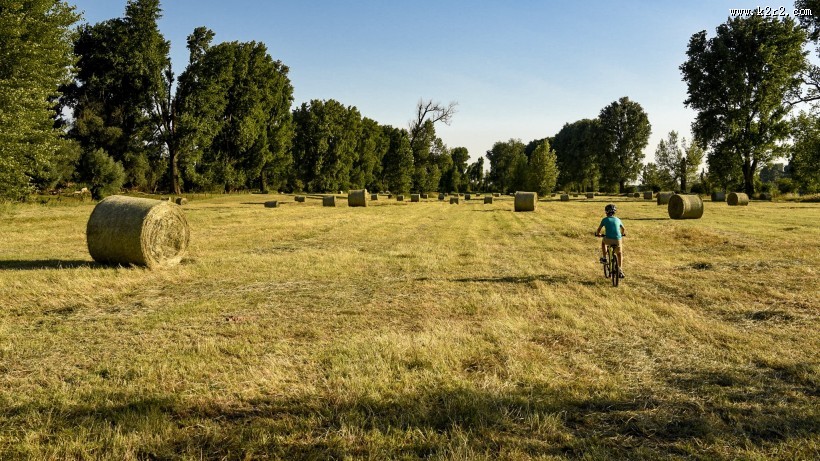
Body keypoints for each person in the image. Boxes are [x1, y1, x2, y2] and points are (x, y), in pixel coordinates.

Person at [595, 203, 626, 278]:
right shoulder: (618, 219)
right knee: (619, 253)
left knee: (603, 242)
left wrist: (598, 234)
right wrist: (622, 234)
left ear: (606, 212)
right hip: (617, 240)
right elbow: (623, 229)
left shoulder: (604, 219)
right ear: (614, 212)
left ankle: (605, 258)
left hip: (608, 239)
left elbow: (599, 230)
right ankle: (620, 270)